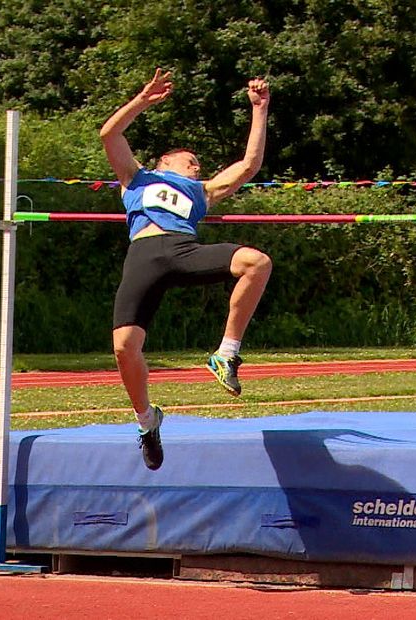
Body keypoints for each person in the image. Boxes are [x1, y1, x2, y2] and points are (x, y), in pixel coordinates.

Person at [100, 68, 272, 471]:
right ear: (166, 161)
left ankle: (226, 354)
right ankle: (147, 421)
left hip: (183, 249)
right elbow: (109, 135)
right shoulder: (137, 176)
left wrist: (260, 111)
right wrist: (142, 100)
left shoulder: (203, 190)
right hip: (144, 256)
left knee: (256, 262)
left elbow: (248, 165)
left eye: (199, 164)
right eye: (191, 161)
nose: (197, 166)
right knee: (124, 348)